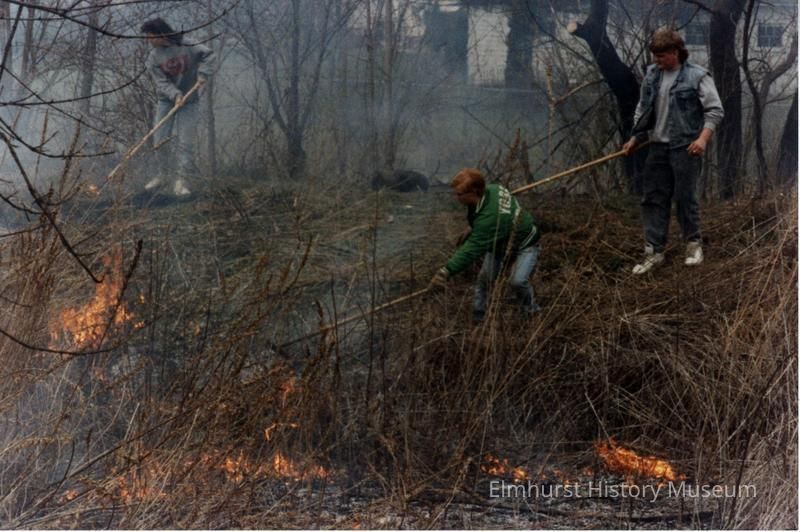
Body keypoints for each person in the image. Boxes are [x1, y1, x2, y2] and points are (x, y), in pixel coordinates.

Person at [623, 28, 724, 274]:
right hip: (657, 146)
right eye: (655, 56)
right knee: (653, 198)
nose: (657, 60)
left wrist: (702, 140)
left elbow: (715, 110)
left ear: (676, 52)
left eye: (661, 56)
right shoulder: (652, 75)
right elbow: (643, 108)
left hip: (685, 147)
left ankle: (693, 246)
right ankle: (654, 252)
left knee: (685, 197)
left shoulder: (697, 76)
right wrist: (636, 137)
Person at [429, 168, 541, 321]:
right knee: (485, 279)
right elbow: (489, 215)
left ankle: (531, 312)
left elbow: (470, 250)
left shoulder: (489, 221)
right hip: (499, 243)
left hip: (526, 243)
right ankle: (478, 314)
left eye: (459, 194)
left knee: (518, 281)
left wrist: (445, 272)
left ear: (474, 191)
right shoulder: (493, 189)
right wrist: (472, 228)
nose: (456, 198)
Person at [140, 18, 214, 197]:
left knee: (185, 141)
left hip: (190, 101)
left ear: (161, 34)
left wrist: (203, 74)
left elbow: (209, 55)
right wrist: (175, 95)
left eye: (150, 36)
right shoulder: (153, 57)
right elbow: (161, 82)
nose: (148, 40)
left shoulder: (187, 44)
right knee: (160, 140)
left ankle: (182, 181)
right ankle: (163, 175)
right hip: (166, 101)